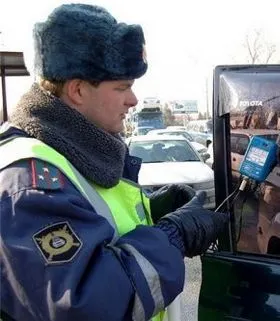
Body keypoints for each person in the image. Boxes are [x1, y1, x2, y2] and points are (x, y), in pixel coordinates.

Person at [0, 4, 228, 321]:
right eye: (122, 87)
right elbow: (87, 305)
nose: (132, 100)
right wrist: (173, 236)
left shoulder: (73, 153)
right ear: (78, 90)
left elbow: (98, 223)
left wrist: (155, 210)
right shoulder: (28, 182)